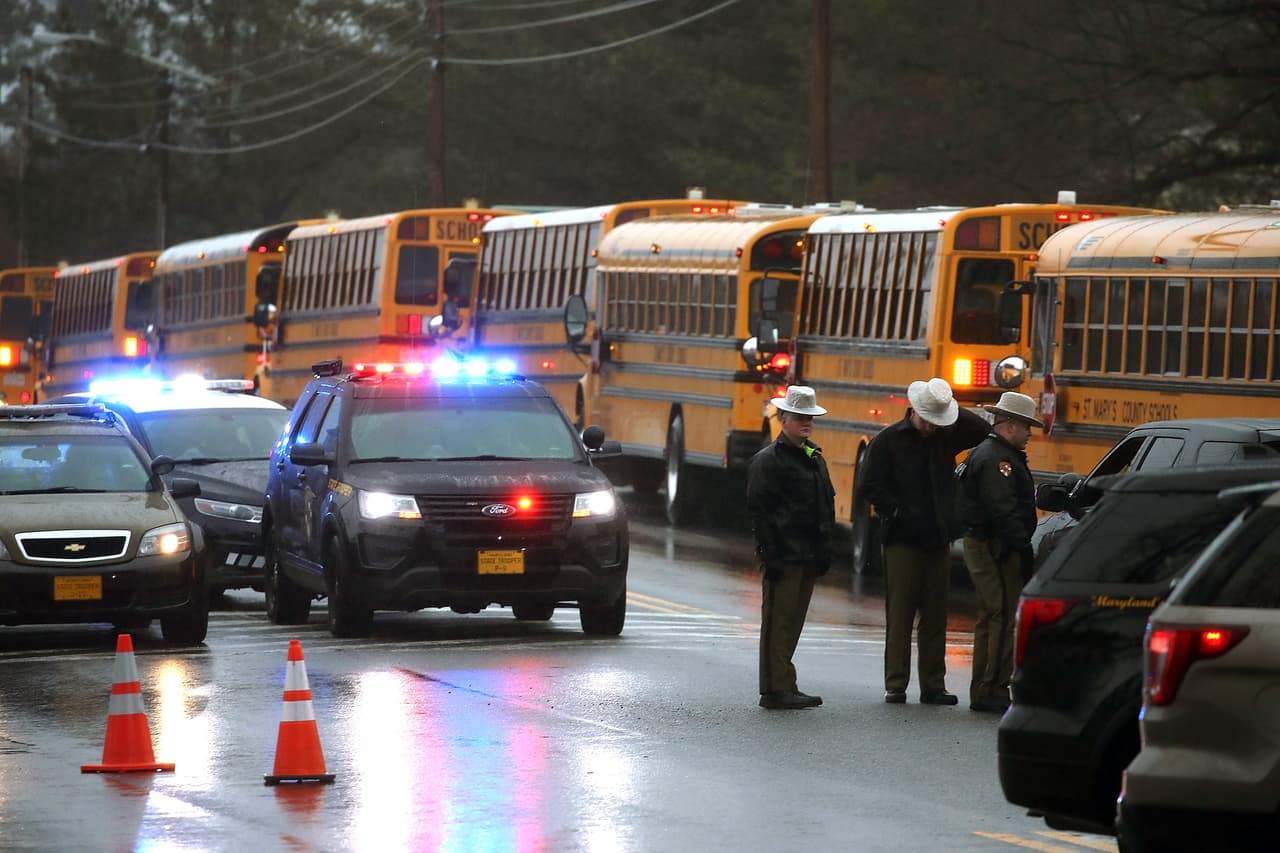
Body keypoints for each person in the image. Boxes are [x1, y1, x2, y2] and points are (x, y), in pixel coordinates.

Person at [859, 377, 990, 705]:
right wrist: (896, 510)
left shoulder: (944, 438)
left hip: (937, 536)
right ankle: (896, 683)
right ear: (915, 411)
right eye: (930, 417)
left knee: (936, 612)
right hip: (901, 539)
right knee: (900, 612)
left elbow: (979, 431)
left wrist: (950, 405)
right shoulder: (888, 441)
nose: (933, 426)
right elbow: (868, 484)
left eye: (938, 419)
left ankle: (934, 684)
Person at [746, 385, 836, 711]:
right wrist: (770, 556)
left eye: (809, 417)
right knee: (777, 623)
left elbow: (825, 505)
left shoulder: (813, 457)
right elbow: (761, 512)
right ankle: (774, 688)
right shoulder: (768, 461)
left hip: (807, 555)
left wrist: (824, 548)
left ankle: (786, 683)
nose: (806, 423)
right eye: (800, 417)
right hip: (784, 554)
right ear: (783, 419)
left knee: (792, 622)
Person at [957, 391, 1042, 714]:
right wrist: (1021, 547)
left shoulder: (994, 454)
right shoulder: (998, 461)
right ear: (1009, 426)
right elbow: (1002, 509)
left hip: (991, 544)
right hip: (993, 546)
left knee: (998, 615)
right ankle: (989, 687)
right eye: (1025, 427)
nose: (1029, 434)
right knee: (999, 615)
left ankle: (990, 685)